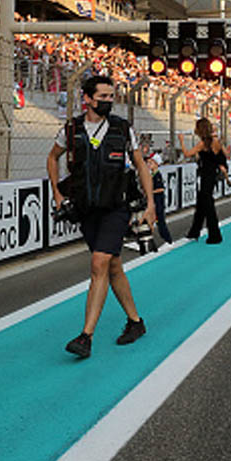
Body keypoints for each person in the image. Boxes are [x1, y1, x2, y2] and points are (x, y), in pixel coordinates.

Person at [47, 75, 154, 359]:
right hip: (86, 208)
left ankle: (86, 337)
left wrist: (151, 203)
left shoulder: (122, 128)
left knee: (99, 263)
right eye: (103, 96)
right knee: (113, 265)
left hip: (115, 207)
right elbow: (52, 157)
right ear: (88, 98)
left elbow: (141, 165)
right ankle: (135, 322)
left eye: (111, 96)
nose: (108, 101)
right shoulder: (71, 130)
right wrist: (57, 194)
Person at [179, 117, 230, 244]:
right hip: (212, 175)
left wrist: (181, 142)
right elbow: (225, 154)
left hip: (207, 175)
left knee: (208, 206)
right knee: (202, 204)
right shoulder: (215, 141)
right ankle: (194, 231)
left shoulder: (203, 143)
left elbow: (187, 154)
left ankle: (215, 236)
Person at [148, 152, 173, 244]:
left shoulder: (157, 175)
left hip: (158, 201)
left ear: (156, 164)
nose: (149, 165)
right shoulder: (152, 175)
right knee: (149, 221)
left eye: (151, 163)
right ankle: (148, 240)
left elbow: (160, 189)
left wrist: (150, 192)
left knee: (160, 222)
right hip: (154, 201)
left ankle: (168, 240)